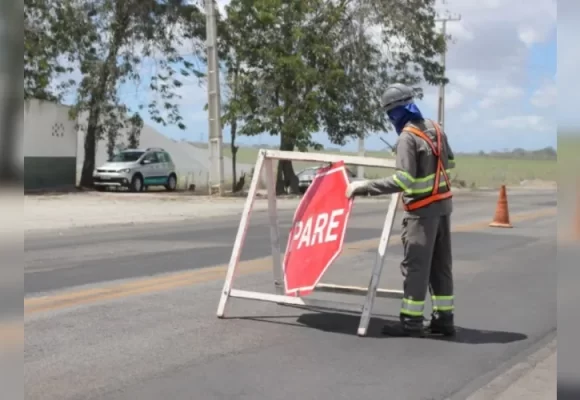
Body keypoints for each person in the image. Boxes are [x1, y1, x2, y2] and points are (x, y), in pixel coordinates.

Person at [345, 83, 457, 338]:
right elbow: (449, 162)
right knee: (441, 266)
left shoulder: (407, 137)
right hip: (443, 208)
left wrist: (364, 187)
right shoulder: (436, 128)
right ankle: (444, 320)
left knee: (416, 267)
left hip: (421, 212)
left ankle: (411, 323)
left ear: (395, 112)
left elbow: (403, 181)